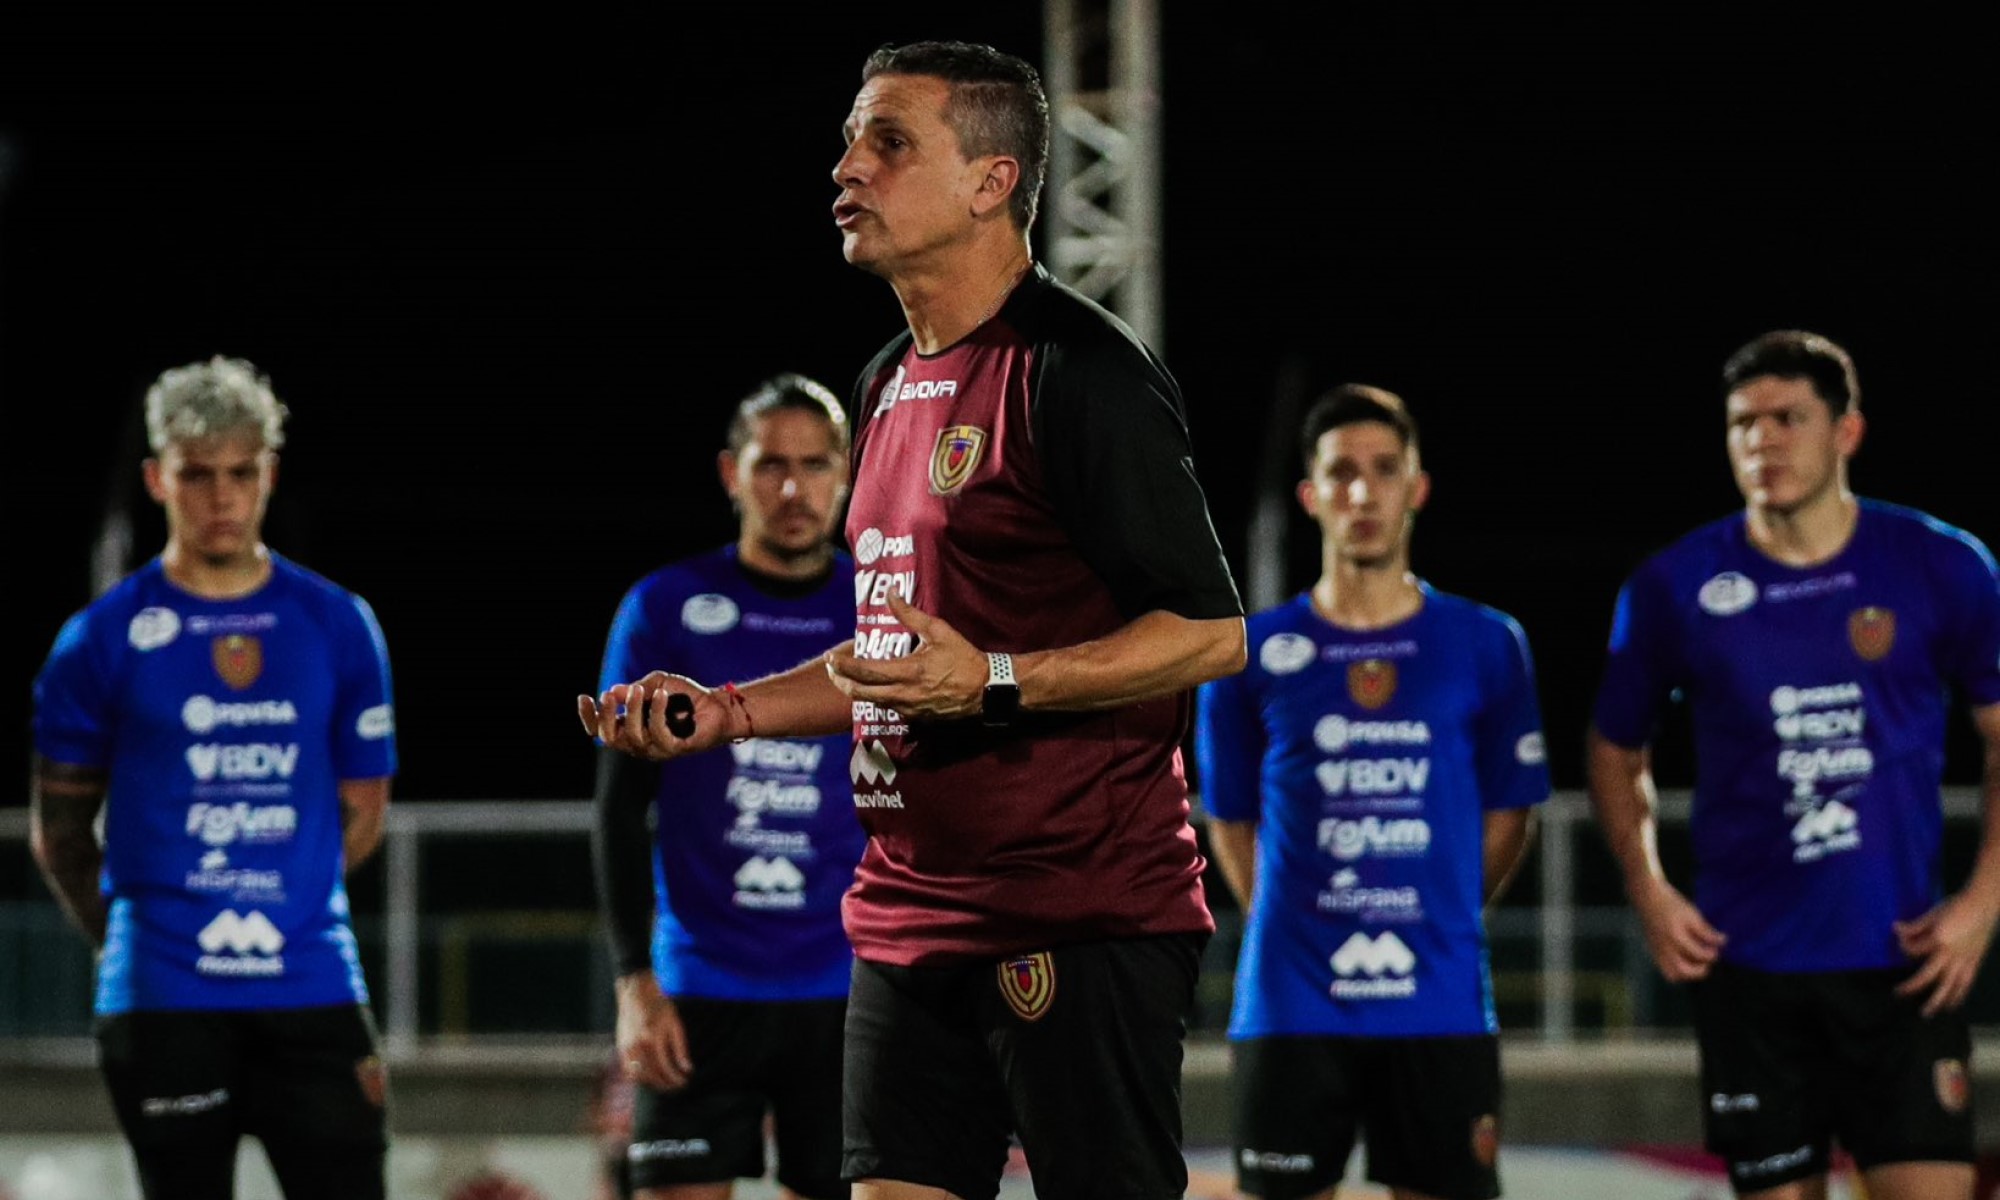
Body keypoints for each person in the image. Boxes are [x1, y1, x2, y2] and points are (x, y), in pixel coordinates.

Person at [579, 39, 1246, 1200]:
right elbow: (894, 656)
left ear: (991, 181)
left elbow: (1208, 632)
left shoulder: (1080, 370)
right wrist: (724, 712)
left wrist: (995, 680)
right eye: (849, 140)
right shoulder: (886, 382)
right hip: (902, 918)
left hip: (1074, 911)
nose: (846, 168)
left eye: (887, 142)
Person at [1587, 330, 2000, 1200]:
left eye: (1787, 418)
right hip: (1750, 978)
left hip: (1904, 966)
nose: (1763, 441)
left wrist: (1983, 902)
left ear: (1847, 431)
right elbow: (1616, 748)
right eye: (1743, 423)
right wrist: (1650, 889)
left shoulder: (1941, 565)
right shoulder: (1674, 586)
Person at [28, 355, 397, 1200]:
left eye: (241, 472)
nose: (222, 497)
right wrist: (137, 937)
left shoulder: (339, 626)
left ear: (270, 473)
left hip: (310, 983)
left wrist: (287, 899)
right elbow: (59, 835)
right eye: (198, 475)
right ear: (159, 478)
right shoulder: (99, 640)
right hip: (163, 999)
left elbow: (365, 809)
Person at [1195, 385, 1549, 1200]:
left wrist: (1444, 907)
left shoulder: (1489, 644)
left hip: (1439, 999)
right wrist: (1293, 919)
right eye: (1342, 473)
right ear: (1311, 496)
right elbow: (1232, 823)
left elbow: (1509, 816)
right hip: (1292, 1002)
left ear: (1416, 488)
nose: (1363, 492)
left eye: (1384, 470)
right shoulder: (1253, 652)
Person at [590, 374, 863, 1200]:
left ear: (847, 473)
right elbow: (615, 810)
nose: (793, 488)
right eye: (770, 464)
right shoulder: (664, 608)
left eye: (815, 466)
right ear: (729, 474)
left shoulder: (880, 608)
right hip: (698, 986)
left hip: (852, 986)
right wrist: (635, 981)